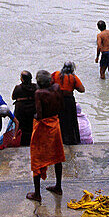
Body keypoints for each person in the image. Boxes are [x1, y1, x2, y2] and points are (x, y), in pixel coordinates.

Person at [27, 70, 65, 203]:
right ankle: (58, 187)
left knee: (37, 158)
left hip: (43, 127)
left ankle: (37, 193)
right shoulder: (56, 88)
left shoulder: (39, 93)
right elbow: (61, 105)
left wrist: (35, 117)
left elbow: (40, 113)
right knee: (57, 156)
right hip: (55, 123)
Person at [52, 62, 85, 146]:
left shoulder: (56, 74)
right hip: (69, 101)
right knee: (71, 121)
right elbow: (82, 89)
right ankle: (72, 140)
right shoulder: (73, 78)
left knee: (59, 119)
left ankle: (59, 139)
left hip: (57, 100)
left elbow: (48, 83)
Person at [11, 71, 37, 147]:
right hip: (32, 108)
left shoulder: (18, 88)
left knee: (21, 127)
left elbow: (13, 97)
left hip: (21, 110)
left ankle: (21, 142)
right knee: (31, 126)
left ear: (22, 79)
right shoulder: (35, 87)